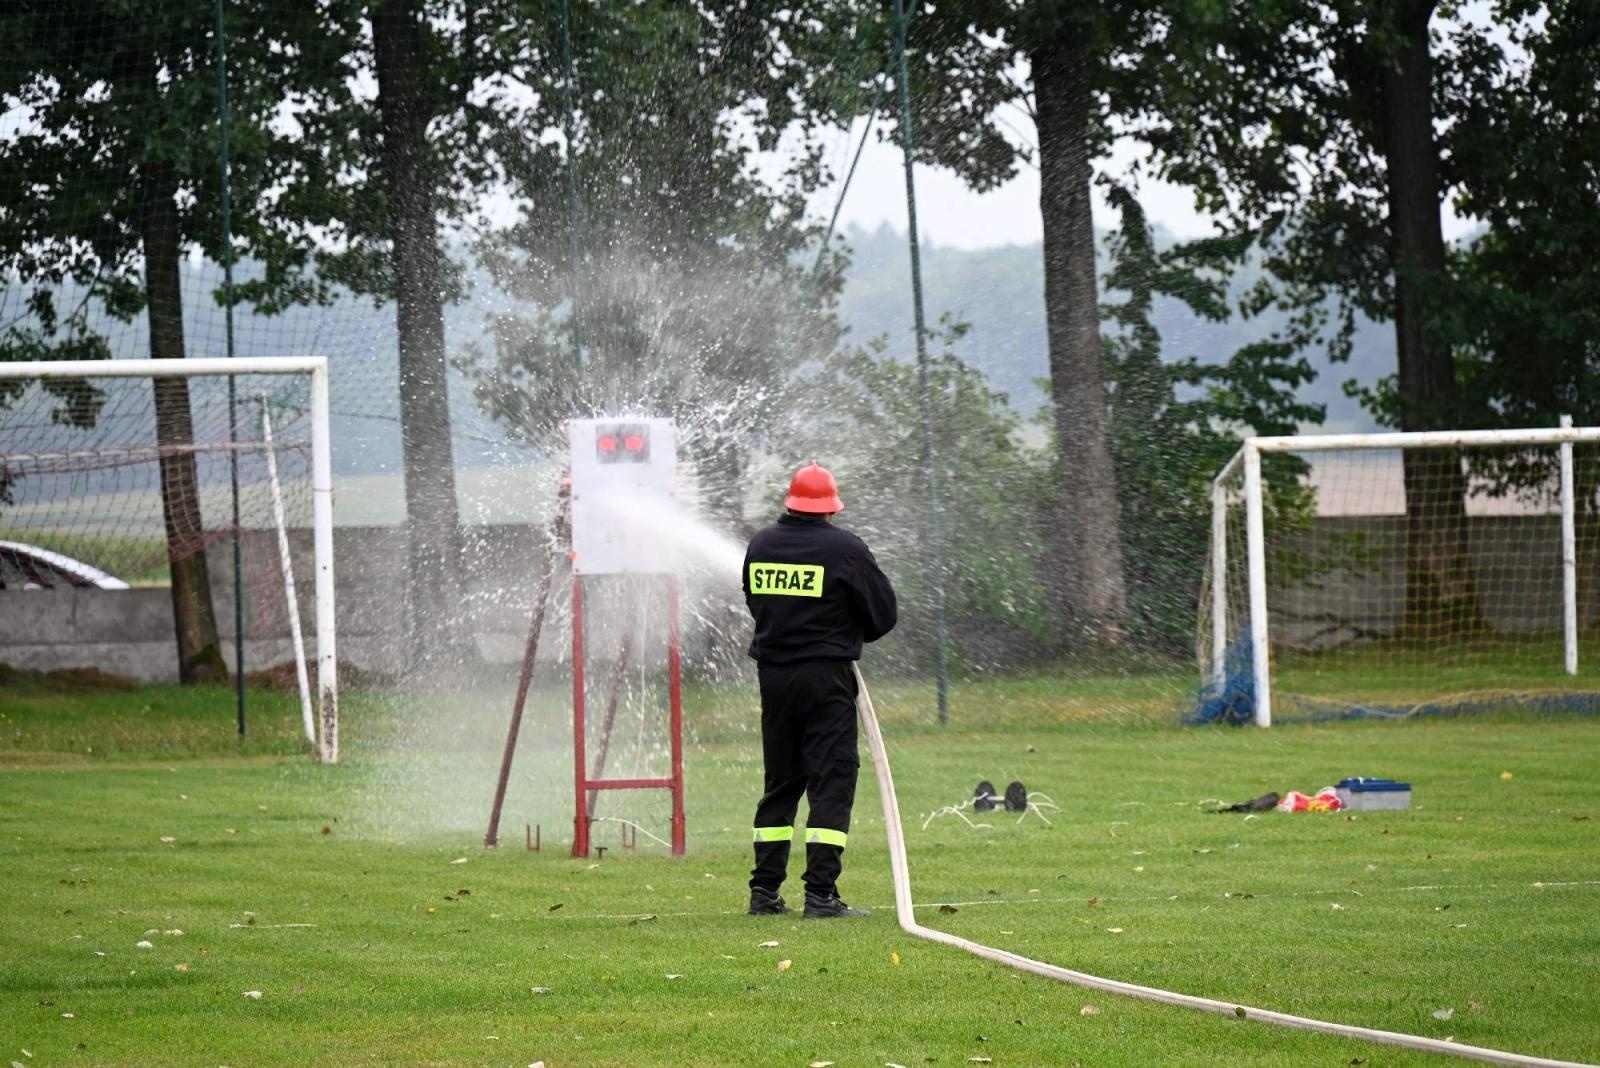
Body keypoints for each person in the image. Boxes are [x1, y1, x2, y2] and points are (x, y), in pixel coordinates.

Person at [742, 462, 897, 919]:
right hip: (826, 677)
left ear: (790, 503)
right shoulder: (845, 549)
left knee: (781, 782)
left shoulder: (761, 545)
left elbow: (756, 603)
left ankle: (764, 892)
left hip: (774, 677)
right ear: (831, 508)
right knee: (832, 779)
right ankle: (821, 895)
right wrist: (841, 628)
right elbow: (883, 615)